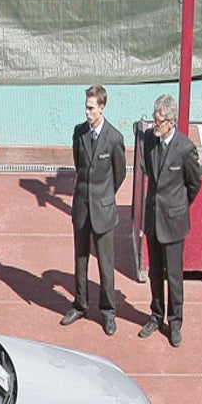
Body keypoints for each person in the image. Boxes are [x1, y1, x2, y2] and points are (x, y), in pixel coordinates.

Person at [139, 93, 202, 348]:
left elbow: (193, 184)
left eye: (160, 120)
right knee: (155, 272)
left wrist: (178, 207)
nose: (156, 124)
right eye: (155, 119)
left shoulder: (185, 149)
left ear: (171, 122)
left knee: (174, 276)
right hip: (153, 219)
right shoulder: (148, 140)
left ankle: (175, 323)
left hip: (174, 222)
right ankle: (156, 315)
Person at [61, 85, 126, 334]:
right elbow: (80, 165)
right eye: (86, 107)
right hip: (81, 207)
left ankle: (108, 311)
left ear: (102, 108)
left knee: (105, 264)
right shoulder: (79, 133)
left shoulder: (114, 138)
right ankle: (80, 304)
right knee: (80, 259)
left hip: (103, 209)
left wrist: (104, 197)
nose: (87, 112)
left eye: (91, 108)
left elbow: (118, 174)